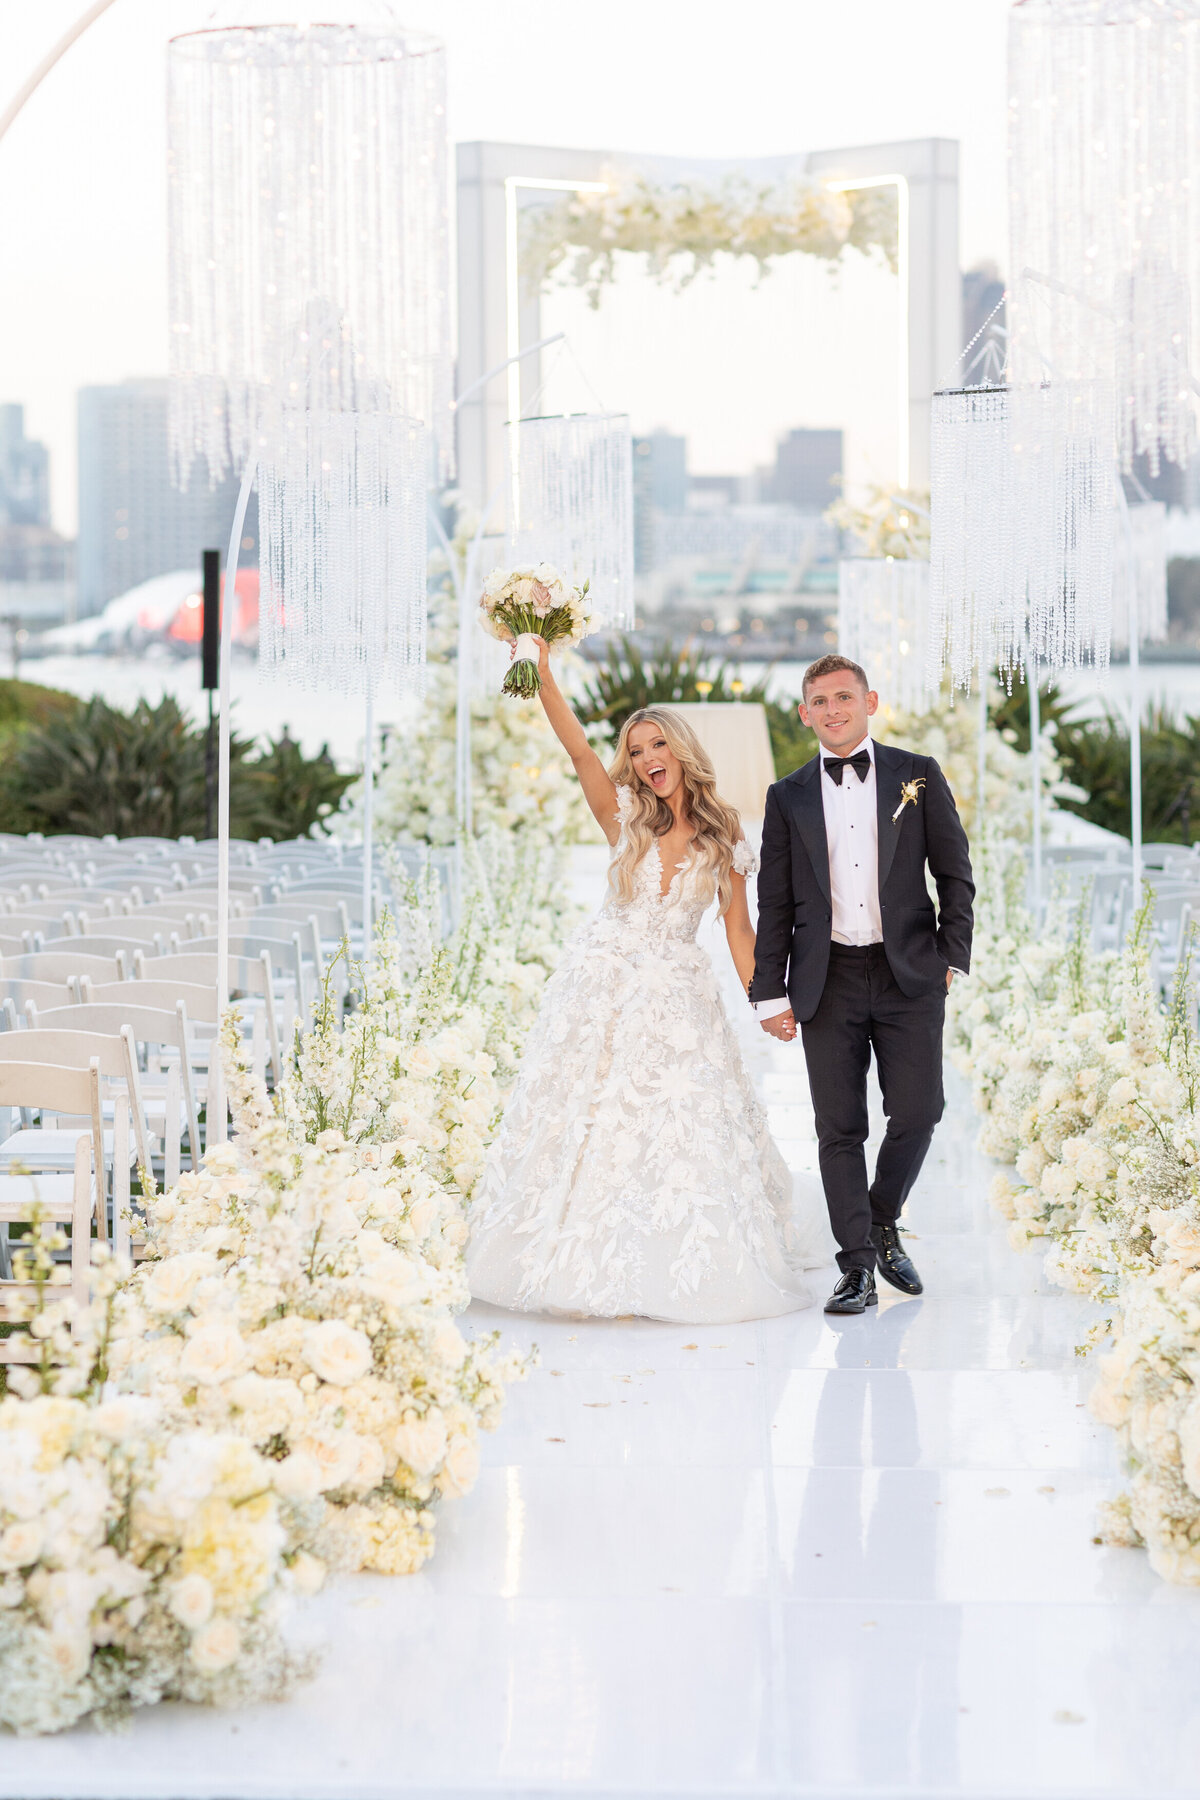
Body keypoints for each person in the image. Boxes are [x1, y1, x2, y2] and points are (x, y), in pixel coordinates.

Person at [466, 637, 828, 1323]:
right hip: (599, 985)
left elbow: (738, 934)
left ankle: (666, 1256)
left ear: (680, 751)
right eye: (635, 751)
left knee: (673, 1122)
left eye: (655, 745)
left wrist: (769, 1005)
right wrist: (543, 672)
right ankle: (565, 1246)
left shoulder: (723, 837)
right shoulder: (623, 817)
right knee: (584, 1115)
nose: (645, 760)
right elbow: (576, 749)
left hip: (674, 996)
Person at [750, 654, 974, 1315]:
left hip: (909, 971)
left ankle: (881, 1218)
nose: (833, 710)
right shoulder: (786, 796)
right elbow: (776, 902)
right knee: (838, 1127)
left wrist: (949, 958)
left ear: (870, 702)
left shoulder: (918, 776)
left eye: (844, 697)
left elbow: (955, 873)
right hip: (828, 977)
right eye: (819, 701)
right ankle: (857, 1270)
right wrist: (771, 990)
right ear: (804, 713)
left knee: (918, 1111)